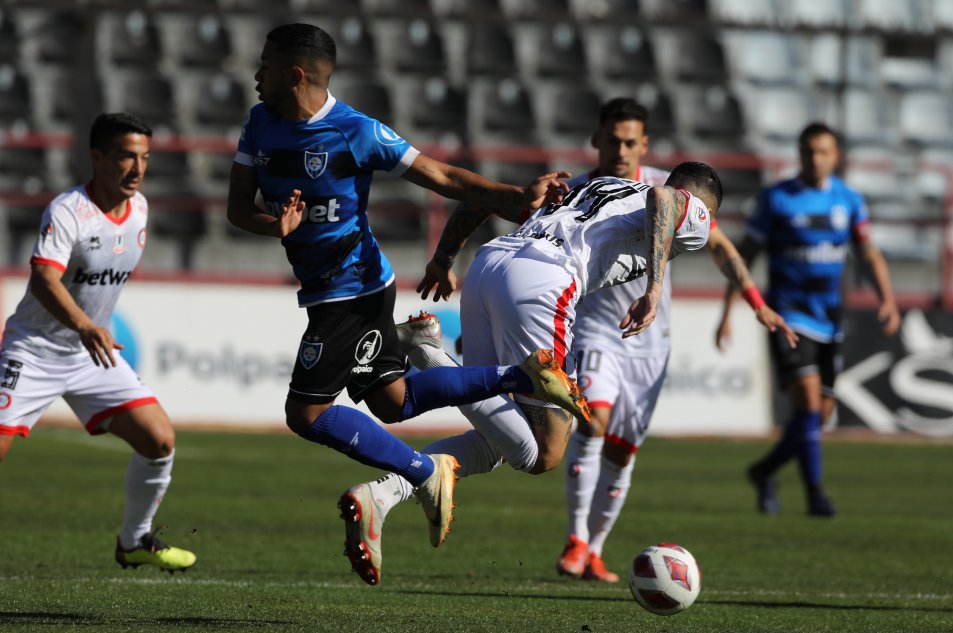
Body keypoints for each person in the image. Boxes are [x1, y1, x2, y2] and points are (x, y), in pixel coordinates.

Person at [225, 23, 578, 586]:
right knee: (394, 401)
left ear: (294, 74)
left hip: (353, 291)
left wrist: (515, 198)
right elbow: (237, 208)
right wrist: (275, 225)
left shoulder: (355, 131)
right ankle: (520, 376)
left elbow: (440, 175)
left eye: (264, 64)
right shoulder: (259, 122)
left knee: (305, 414)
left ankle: (421, 469)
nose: (255, 74)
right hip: (331, 292)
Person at [345, 161, 723, 585]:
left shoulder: (592, 188)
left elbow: (482, 199)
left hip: (490, 266)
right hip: (545, 281)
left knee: (503, 435)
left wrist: (444, 258)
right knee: (545, 453)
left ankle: (386, 492)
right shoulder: (693, 212)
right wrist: (654, 288)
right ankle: (427, 351)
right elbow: (664, 197)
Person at [552, 98, 797, 582]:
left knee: (622, 450)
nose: (621, 150)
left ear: (644, 144)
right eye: (613, 140)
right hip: (596, 329)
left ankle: (594, 549)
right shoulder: (578, 191)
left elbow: (721, 247)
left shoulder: (672, 190)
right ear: (597, 140)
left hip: (651, 342)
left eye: (631, 142)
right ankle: (576, 540)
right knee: (593, 421)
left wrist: (756, 302)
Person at [0, 113, 196, 573]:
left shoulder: (139, 208)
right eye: (126, 156)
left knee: (158, 439)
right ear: (98, 157)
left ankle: (134, 540)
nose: (138, 168)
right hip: (33, 350)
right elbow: (44, 279)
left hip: (88, 355)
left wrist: (89, 331)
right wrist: (86, 325)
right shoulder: (68, 210)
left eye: (145, 158)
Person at [717, 122, 900, 517]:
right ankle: (816, 495)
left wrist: (887, 298)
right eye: (808, 151)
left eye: (823, 152)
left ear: (836, 156)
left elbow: (868, 252)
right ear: (799, 155)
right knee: (809, 404)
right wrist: (728, 310)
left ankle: (764, 470)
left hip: (830, 318)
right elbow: (743, 257)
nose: (815, 159)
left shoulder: (848, 200)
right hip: (788, 315)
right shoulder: (776, 199)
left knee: (820, 415)